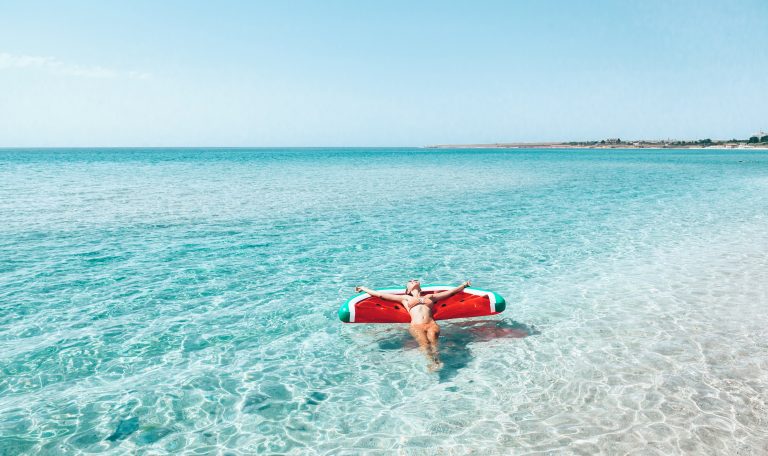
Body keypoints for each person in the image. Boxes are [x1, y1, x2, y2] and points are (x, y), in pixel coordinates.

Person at [355, 279, 471, 370]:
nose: (413, 281)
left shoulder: (430, 297)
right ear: (407, 290)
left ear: (420, 286)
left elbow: (450, 293)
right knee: (425, 345)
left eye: (415, 280)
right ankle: (432, 363)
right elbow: (380, 295)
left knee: (434, 343)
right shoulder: (404, 298)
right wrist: (364, 288)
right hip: (416, 326)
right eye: (410, 282)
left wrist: (464, 285)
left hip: (431, 323)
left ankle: (437, 361)